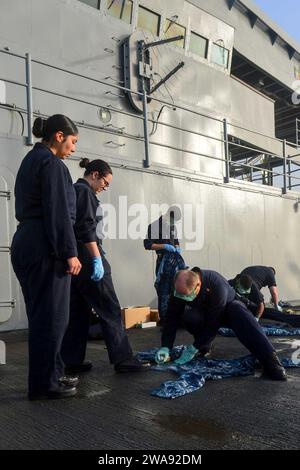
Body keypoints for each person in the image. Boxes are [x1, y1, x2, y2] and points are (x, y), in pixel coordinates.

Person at [11, 114, 82, 400]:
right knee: (53, 319)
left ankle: (52, 374)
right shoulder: (52, 164)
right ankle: (44, 385)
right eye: (73, 141)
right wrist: (70, 253)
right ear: (59, 136)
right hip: (45, 245)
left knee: (43, 317)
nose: (74, 149)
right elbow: (58, 213)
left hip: (26, 241)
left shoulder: (30, 160)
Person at [61, 158, 149, 373]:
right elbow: (86, 229)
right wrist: (97, 258)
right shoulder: (85, 192)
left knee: (78, 313)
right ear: (95, 175)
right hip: (90, 258)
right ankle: (123, 359)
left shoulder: (74, 191)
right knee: (109, 308)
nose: (104, 187)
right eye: (105, 183)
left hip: (76, 263)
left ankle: (71, 360)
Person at [155, 268, 287, 381]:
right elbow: (171, 318)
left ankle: (270, 360)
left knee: (241, 313)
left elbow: (213, 324)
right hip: (204, 313)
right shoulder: (180, 288)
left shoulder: (217, 285)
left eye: (186, 296)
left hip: (227, 310)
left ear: (198, 286)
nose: (181, 298)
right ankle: (204, 347)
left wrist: (193, 347)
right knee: (190, 317)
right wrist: (166, 347)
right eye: (179, 295)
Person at [144, 207, 186, 324]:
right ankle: (165, 321)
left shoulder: (172, 226)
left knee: (176, 289)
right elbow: (147, 244)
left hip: (174, 261)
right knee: (163, 291)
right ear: (167, 214)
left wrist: (177, 246)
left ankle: (176, 319)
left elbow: (176, 240)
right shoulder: (154, 226)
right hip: (163, 261)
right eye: (172, 220)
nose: (173, 223)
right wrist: (164, 246)